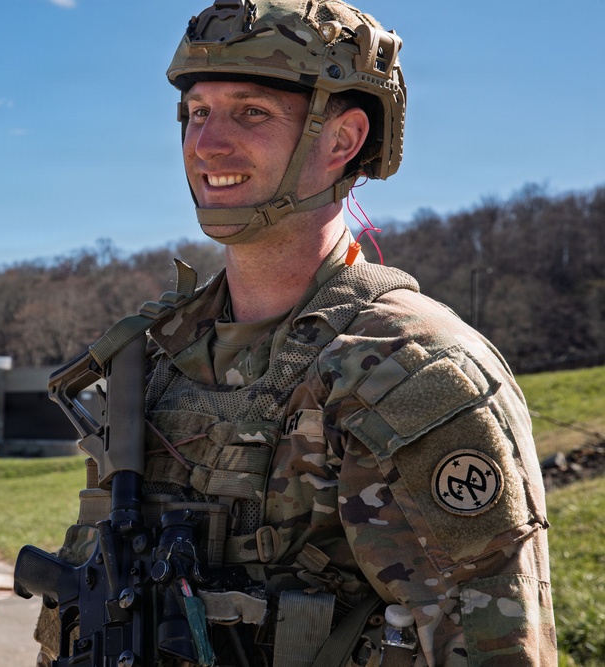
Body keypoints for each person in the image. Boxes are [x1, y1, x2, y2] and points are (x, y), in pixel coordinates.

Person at [34, 1, 557, 664]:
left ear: (342, 139)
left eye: (251, 112)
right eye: (198, 112)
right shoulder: (154, 359)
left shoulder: (414, 374)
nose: (207, 144)